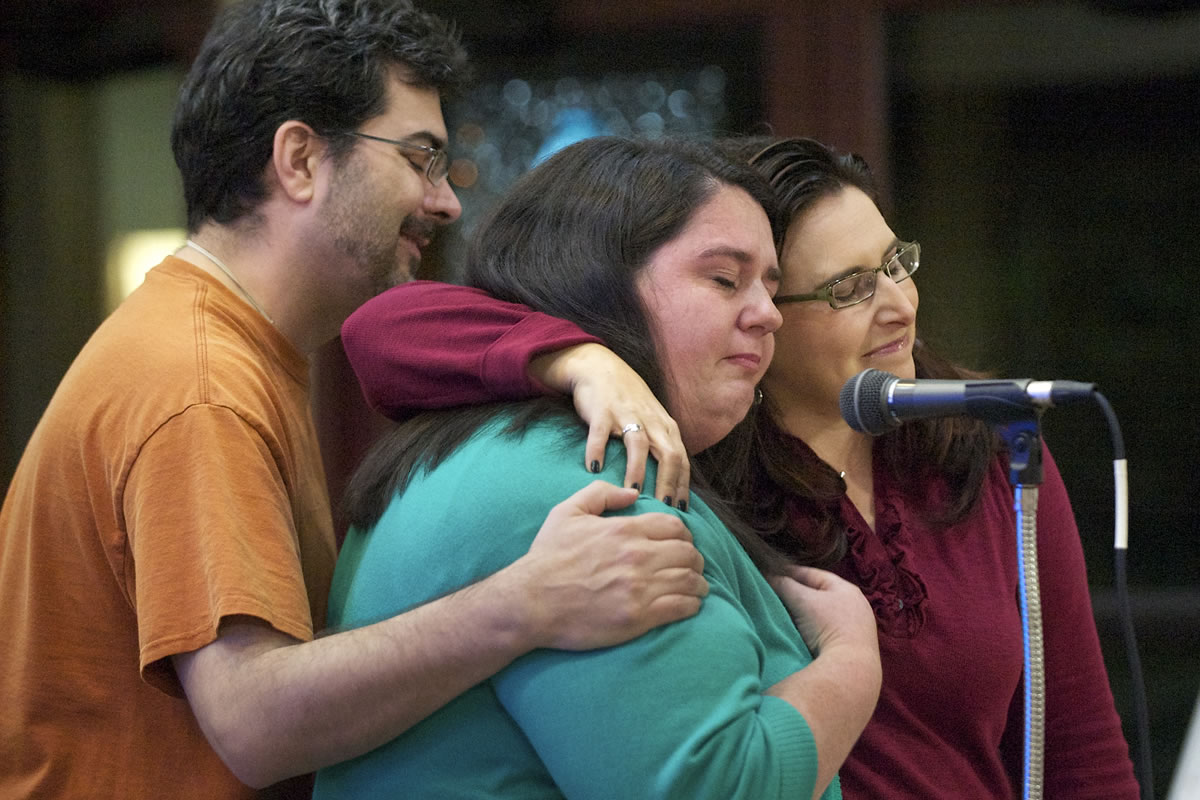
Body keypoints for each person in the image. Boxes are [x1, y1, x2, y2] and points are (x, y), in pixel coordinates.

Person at [0, 2, 710, 797]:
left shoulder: (220, 345)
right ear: (300, 160)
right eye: (420, 157)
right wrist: (530, 602)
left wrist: (576, 359)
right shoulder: (200, 385)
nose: (446, 203)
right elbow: (254, 722)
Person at [338, 136, 1140, 799]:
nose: (897, 304)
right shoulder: (687, 455)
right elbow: (384, 328)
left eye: (898, 264)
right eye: (848, 287)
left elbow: (1079, 744)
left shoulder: (982, 444)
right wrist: (579, 359)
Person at [313, 136, 882, 799]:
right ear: (600, 280)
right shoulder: (599, 484)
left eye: (770, 287)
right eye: (725, 279)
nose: (766, 315)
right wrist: (851, 662)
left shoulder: (489, 443)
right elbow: (718, 789)